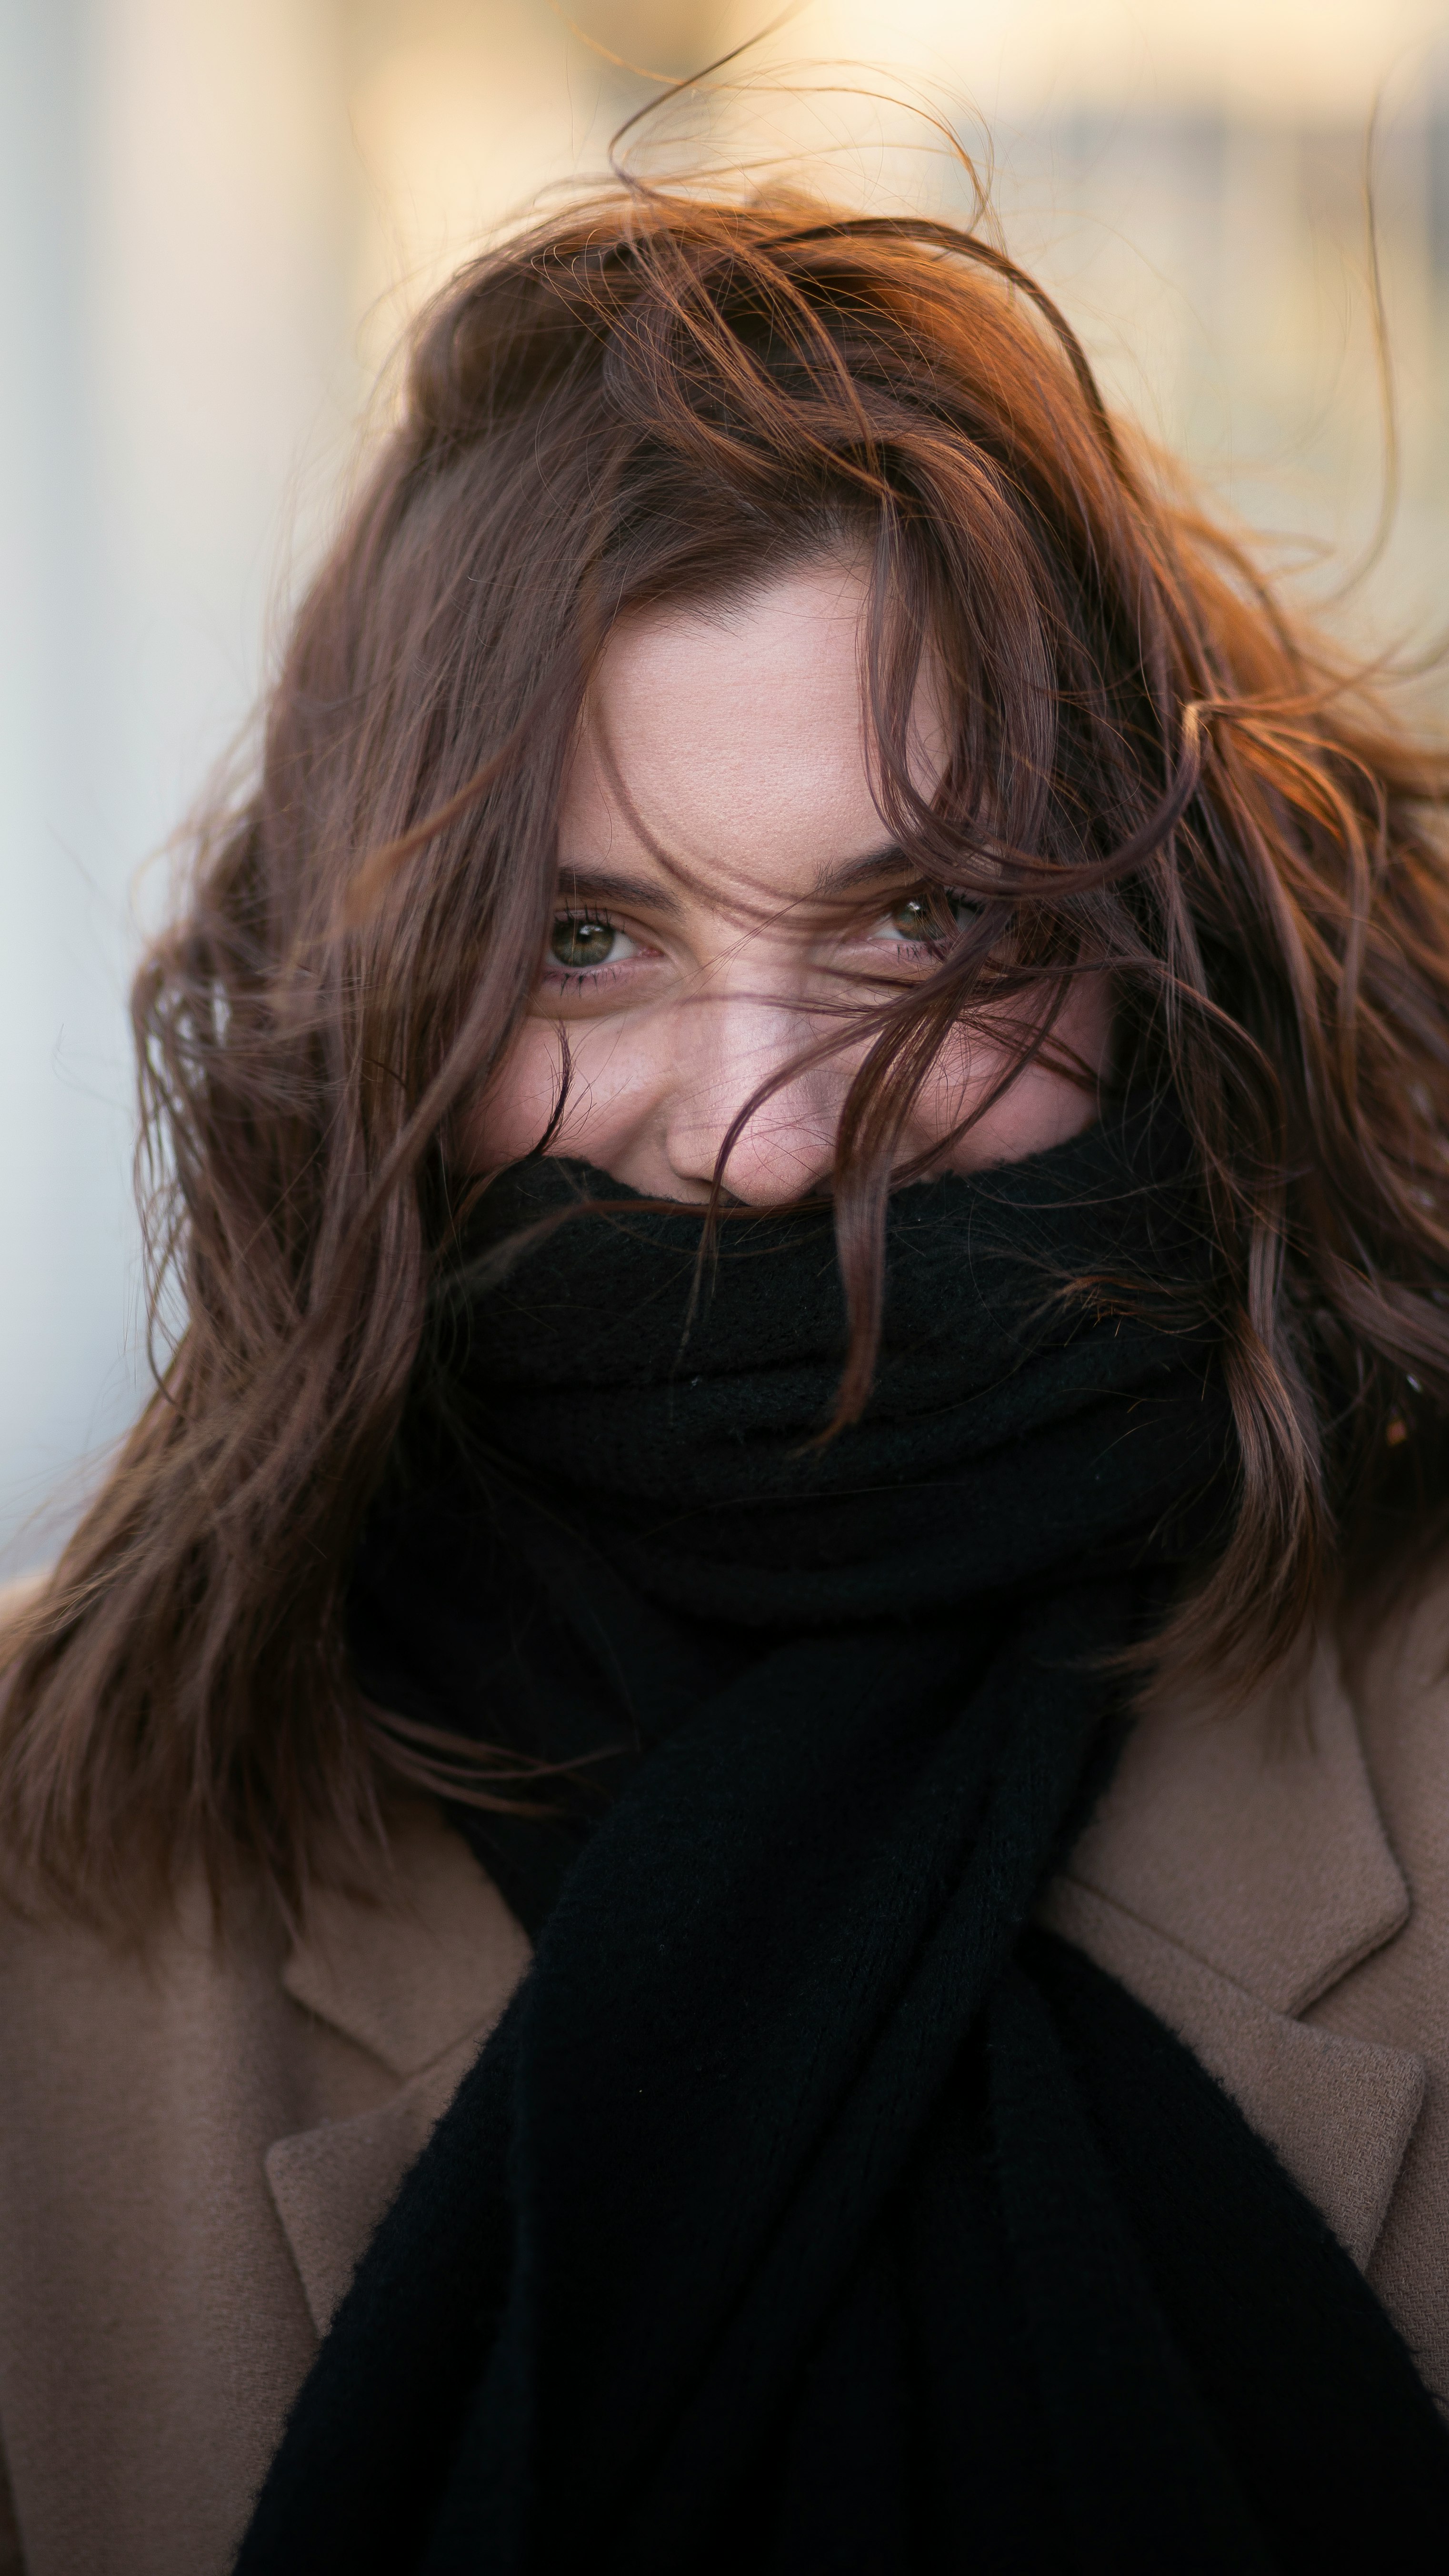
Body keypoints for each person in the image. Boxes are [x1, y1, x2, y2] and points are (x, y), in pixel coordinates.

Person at [3, 181, 1449, 2576]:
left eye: (921, 919)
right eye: (583, 942)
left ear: (1149, 946)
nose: (767, 1139)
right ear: (374, 1010)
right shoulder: (74, 1894)